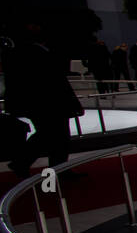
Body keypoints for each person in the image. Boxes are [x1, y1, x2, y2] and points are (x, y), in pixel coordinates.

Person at [3, 24, 84, 175]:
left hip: (39, 105)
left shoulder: (17, 53)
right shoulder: (39, 54)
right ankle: (30, 164)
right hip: (50, 105)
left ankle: (48, 168)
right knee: (56, 136)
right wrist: (72, 103)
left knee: (49, 135)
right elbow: (56, 83)